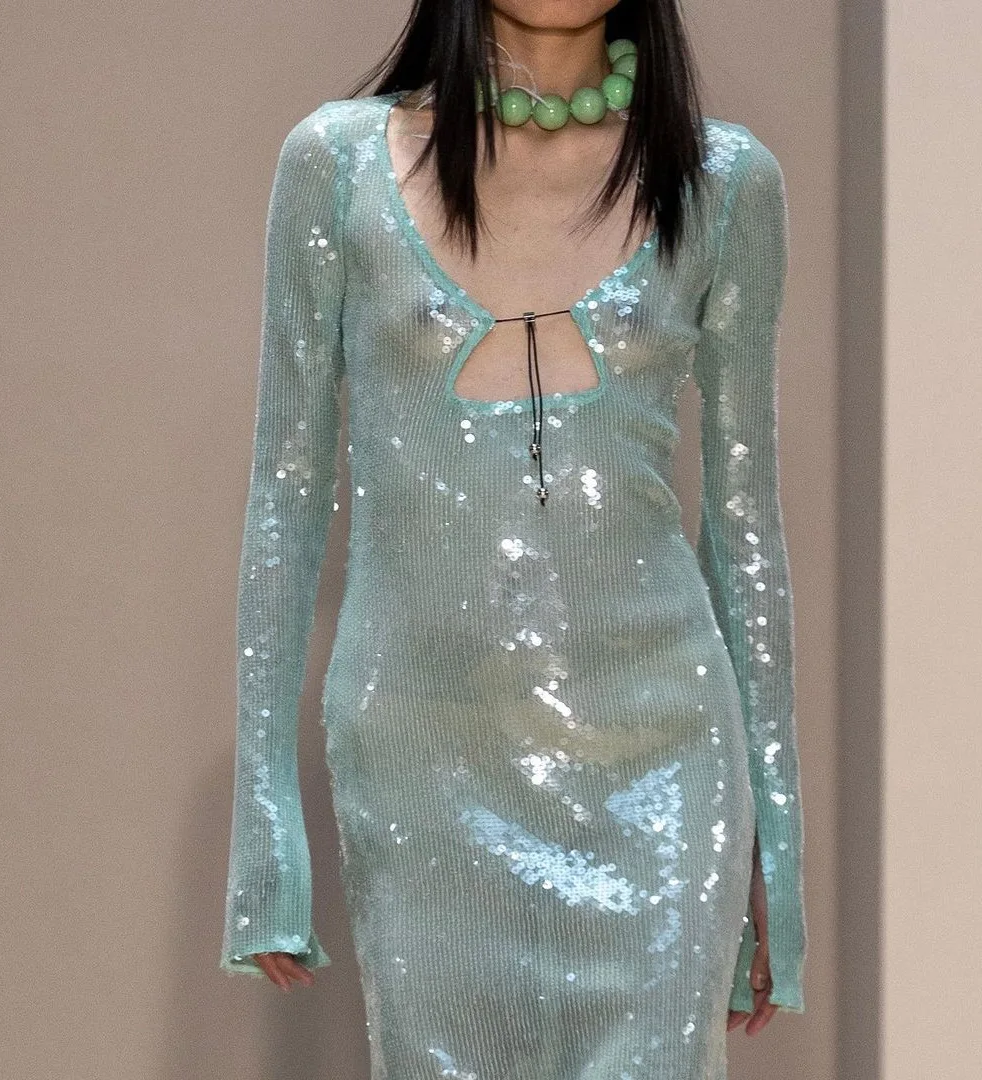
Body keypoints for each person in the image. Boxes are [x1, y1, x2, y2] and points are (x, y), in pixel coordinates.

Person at [220, 1, 807, 1075]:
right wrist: (264, 824)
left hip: (666, 756)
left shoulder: (722, 182)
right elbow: (285, 498)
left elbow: (746, 528)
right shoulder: (337, 165)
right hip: (421, 755)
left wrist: (779, 844)